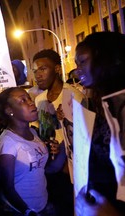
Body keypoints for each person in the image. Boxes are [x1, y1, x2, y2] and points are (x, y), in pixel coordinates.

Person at [73, 31, 125, 215]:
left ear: (107, 59)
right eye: (76, 64)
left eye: (83, 61)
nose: (77, 70)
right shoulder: (100, 106)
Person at [33, 49, 86, 215]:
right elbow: (41, 131)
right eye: (35, 71)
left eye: (43, 69)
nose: (38, 75)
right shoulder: (39, 99)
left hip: (70, 170)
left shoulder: (73, 96)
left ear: (57, 69)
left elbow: (83, 136)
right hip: (48, 168)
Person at [0, 87, 61, 216]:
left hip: (43, 203)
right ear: (10, 111)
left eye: (29, 98)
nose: (31, 102)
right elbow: (7, 187)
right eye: (22, 100)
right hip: (21, 210)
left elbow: (42, 169)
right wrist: (27, 211)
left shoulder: (33, 132)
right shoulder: (8, 143)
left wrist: (58, 150)